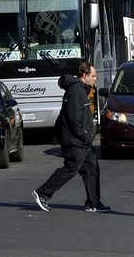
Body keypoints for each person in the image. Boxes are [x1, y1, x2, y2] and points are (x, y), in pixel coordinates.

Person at [32, 60, 110, 213]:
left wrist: (56, 132)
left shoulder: (79, 89)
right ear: (84, 75)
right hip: (75, 140)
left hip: (80, 140)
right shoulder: (77, 91)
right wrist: (84, 135)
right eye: (93, 76)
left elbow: (62, 115)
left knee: (92, 168)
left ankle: (93, 202)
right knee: (71, 168)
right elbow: (74, 118)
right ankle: (42, 193)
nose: (95, 79)